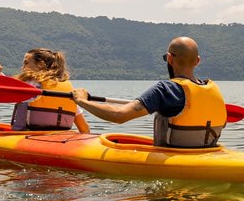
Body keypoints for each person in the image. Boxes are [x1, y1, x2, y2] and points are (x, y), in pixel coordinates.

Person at [71, 36, 227, 148]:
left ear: (170, 59)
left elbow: (118, 115)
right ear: (198, 61)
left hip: (174, 162)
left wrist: (82, 101)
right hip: (209, 155)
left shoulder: (165, 90)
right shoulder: (213, 90)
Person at [0, 48, 90, 132]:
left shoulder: (27, 84)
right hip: (59, 138)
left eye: (26, 63)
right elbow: (84, 130)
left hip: (26, 136)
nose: (23, 67)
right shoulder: (67, 92)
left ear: (40, 64)